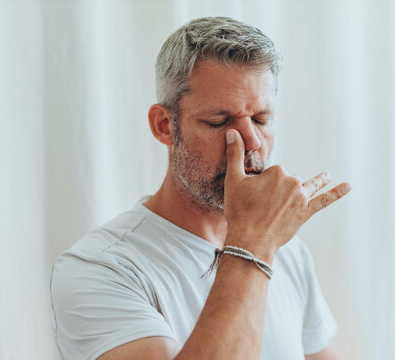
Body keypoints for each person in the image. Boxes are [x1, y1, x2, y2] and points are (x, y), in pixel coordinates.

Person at [50, 16, 351, 360]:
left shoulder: (288, 251)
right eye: (219, 121)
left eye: (261, 119)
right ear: (165, 126)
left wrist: (261, 240)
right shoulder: (101, 268)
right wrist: (252, 245)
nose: (250, 141)